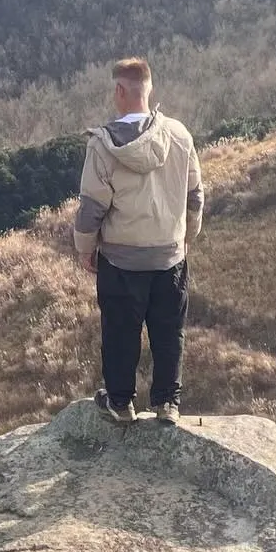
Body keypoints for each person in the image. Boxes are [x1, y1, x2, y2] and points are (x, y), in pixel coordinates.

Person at [73, 58, 204, 425]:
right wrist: (185, 236)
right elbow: (195, 196)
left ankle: (121, 403)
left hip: (121, 261)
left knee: (120, 333)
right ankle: (167, 404)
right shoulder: (179, 135)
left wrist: (85, 249)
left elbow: (91, 210)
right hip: (170, 257)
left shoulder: (103, 145)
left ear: (119, 91)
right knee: (168, 332)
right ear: (150, 89)